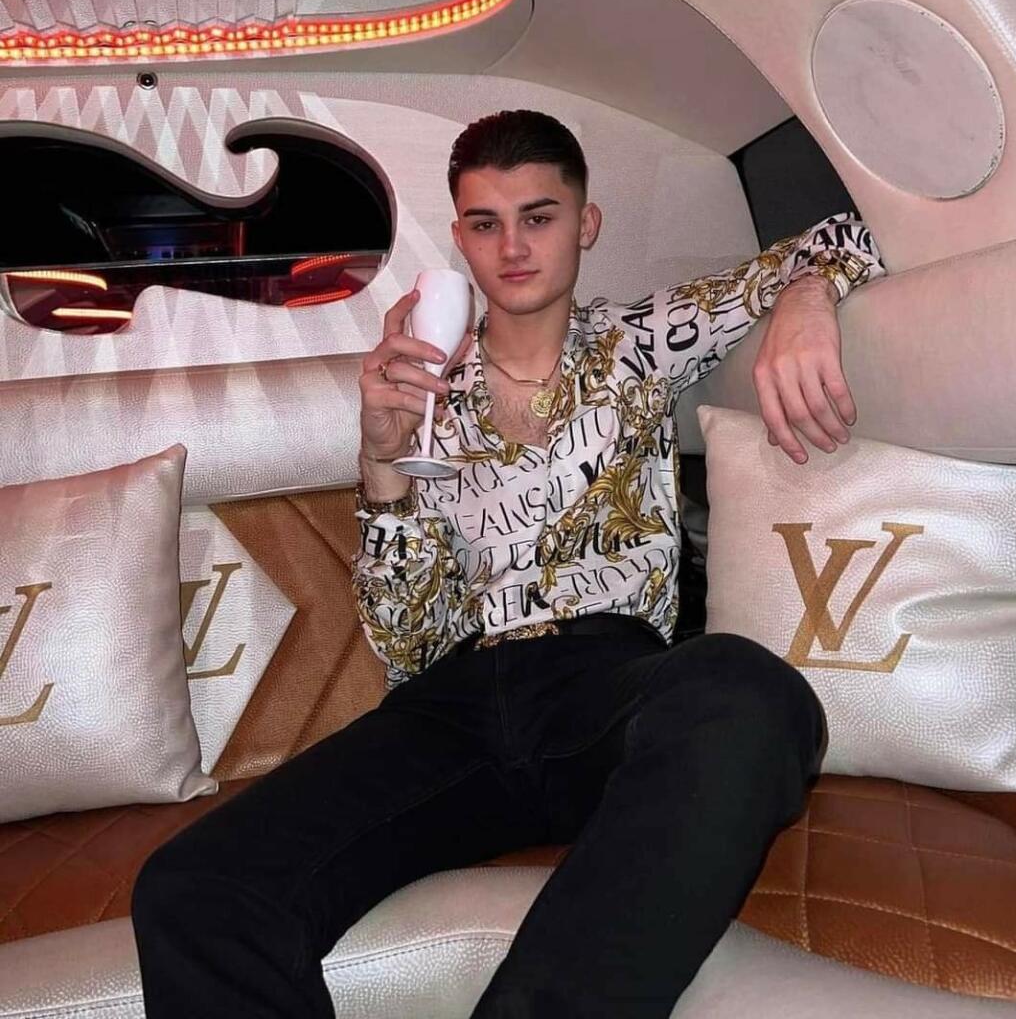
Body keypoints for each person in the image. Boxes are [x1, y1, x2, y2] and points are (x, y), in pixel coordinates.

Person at [132, 110, 884, 1018]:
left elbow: (852, 233)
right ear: (459, 239)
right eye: (486, 224)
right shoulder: (421, 392)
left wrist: (804, 300)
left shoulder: (639, 341)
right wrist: (381, 461)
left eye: (538, 216)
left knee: (746, 693)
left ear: (585, 224)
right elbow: (405, 645)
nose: (513, 247)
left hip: (603, 684)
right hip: (451, 707)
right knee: (196, 887)